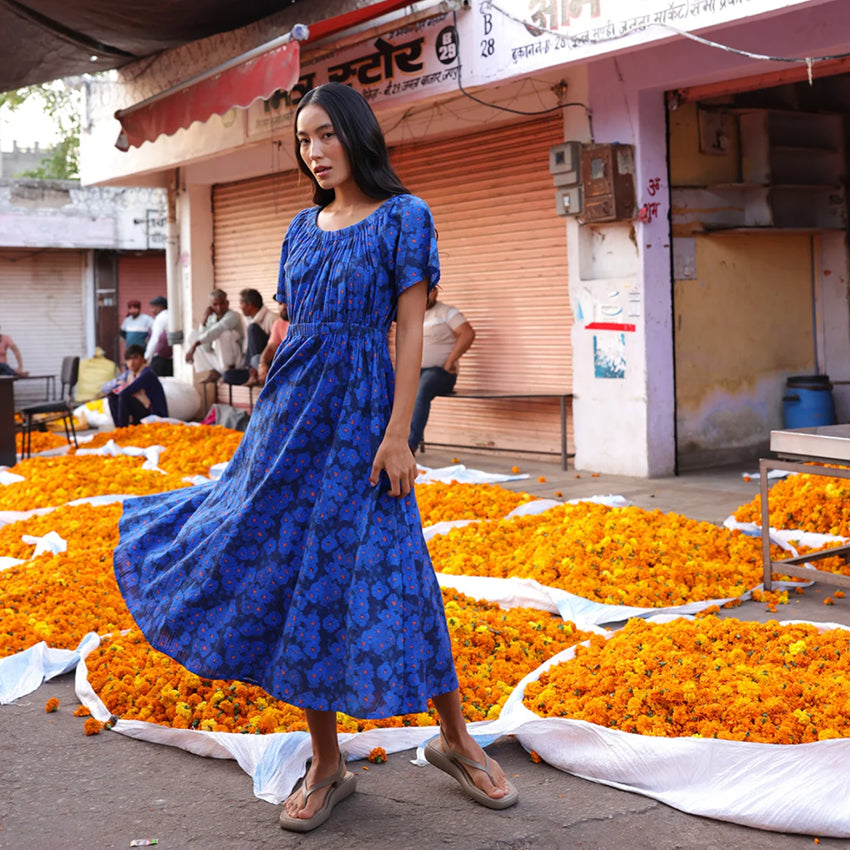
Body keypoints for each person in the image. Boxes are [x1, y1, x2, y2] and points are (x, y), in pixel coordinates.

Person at [112, 82, 517, 834]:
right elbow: (289, 334)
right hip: (291, 424)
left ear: (356, 135)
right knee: (297, 575)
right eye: (304, 142)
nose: (315, 151)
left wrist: (399, 435)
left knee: (402, 571)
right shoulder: (302, 229)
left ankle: (456, 739)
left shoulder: (405, 218)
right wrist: (261, 413)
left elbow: (407, 335)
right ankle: (328, 761)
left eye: (326, 135)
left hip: (366, 425)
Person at [408, 287, 475, 453]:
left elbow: (467, 334)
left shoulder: (447, 312)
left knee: (422, 389)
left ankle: (409, 447)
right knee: (386, 387)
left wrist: (450, 362)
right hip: (414, 373)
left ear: (435, 292)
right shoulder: (412, 315)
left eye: (429, 292)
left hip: (440, 373)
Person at [184, 289, 244, 383]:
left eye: (222, 304)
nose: (219, 308)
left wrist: (194, 346)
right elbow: (206, 347)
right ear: (210, 306)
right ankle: (214, 372)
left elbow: (217, 330)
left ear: (227, 303)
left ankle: (228, 372)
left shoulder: (233, 316)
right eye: (215, 305)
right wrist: (205, 318)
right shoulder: (212, 318)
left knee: (224, 334)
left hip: (237, 361)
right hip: (219, 359)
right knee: (192, 334)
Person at [102, 344, 168, 427]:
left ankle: (123, 430)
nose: (131, 363)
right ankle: (118, 429)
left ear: (143, 359)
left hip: (154, 416)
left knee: (124, 395)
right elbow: (105, 388)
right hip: (141, 413)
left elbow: (127, 391)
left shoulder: (147, 373)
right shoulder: (130, 374)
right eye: (128, 359)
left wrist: (122, 387)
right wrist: (117, 385)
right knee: (112, 396)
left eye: (135, 358)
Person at [239, 288, 276, 371]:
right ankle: (251, 371)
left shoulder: (272, 318)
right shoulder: (248, 319)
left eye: (241, 303)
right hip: (252, 363)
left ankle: (255, 370)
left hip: (265, 362)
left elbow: (274, 347)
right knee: (228, 375)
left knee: (252, 329)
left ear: (249, 305)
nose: (239, 307)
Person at [252, 304, 289, 386]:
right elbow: (272, 348)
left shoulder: (303, 323)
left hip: (294, 363)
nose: (283, 307)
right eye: (280, 303)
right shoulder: (279, 322)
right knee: (256, 359)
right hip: (279, 363)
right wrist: (262, 364)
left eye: (286, 302)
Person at [145, 296, 173, 377]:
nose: (152, 310)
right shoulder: (169, 315)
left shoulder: (161, 318)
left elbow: (155, 339)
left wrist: (147, 357)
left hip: (160, 359)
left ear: (160, 307)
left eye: (154, 307)